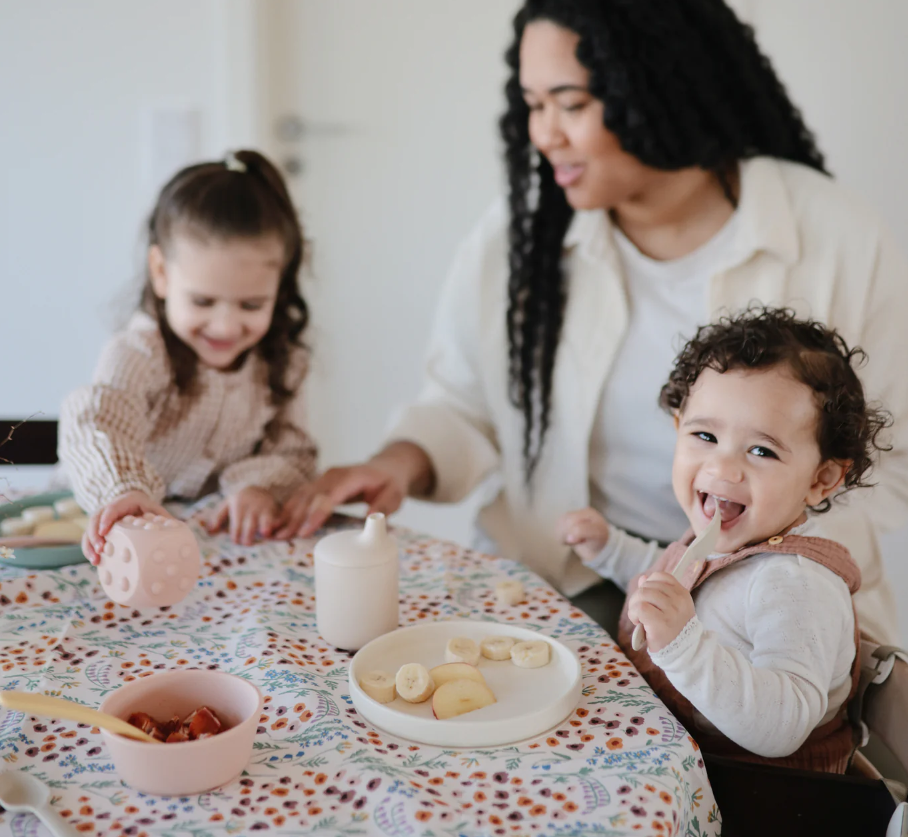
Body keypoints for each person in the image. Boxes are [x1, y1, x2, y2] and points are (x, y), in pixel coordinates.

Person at [277, 0, 908, 646]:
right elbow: (462, 405)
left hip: (761, 623)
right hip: (556, 589)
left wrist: (734, 574)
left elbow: (887, 464)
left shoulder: (837, 239)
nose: (543, 133)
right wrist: (398, 464)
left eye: (570, 104)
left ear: (658, 89)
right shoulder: (521, 239)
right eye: (533, 104)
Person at [558, 306, 890, 837]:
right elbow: (668, 575)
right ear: (678, 426)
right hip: (686, 779)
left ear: (822, 480)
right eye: (705, 436)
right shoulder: (719, 541)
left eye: (761, 451)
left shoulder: (793, 583)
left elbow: (783, 727)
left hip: (762, 827)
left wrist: (683, 643)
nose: (723, 466)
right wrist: (610, 550)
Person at [59, 150, 317, 564]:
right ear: (161, 273)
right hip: (110, 539)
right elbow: (95, 422)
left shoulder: (284, 362)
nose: (226, 326)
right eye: (202, 301)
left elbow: (293, 450)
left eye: (251, 305)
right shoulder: (139, 354)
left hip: (209, 550)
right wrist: (124, 490)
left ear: (279, 286)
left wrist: (257, 488)